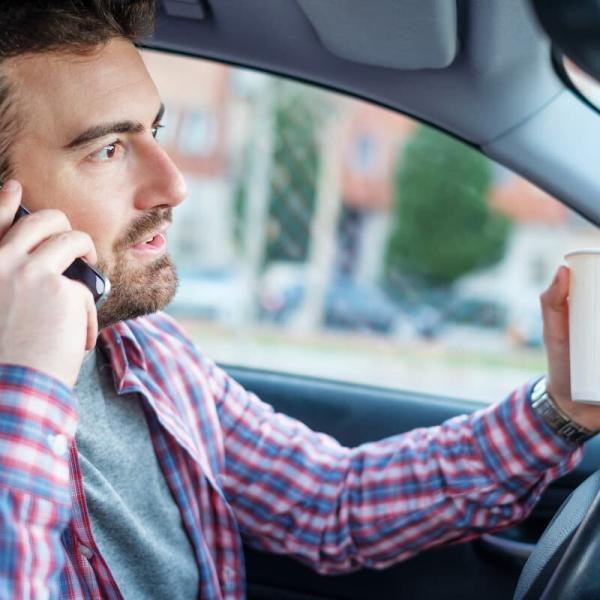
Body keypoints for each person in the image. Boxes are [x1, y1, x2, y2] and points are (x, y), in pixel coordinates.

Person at [0, 2, 599, 599]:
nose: (174, 184)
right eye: (107, 149)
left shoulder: (141, 350)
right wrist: (24, 385)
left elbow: (330, 502)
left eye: (152, 131)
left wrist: (564, 407)